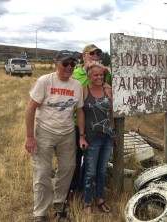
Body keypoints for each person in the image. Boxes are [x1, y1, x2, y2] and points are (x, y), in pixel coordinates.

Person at [25, 50, 86, 222]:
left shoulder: (76, 86)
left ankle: (59, 203)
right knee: (42, 172)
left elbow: (80, 111)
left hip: (67, 133)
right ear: (56, 63)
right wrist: (30, 137)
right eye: (65, 63)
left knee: (67, 169)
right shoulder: (45, 81)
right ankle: (40, 212)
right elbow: (30, 109)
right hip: (44, 132)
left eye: (72, 64)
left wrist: (81, 135)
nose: (69, 67)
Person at [70, 43, 112, 192]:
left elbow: (109, 92)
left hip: (97, 125)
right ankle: (75, 190)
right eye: (91, 53)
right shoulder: (74, 75)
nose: (95, 56)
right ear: (83, 56)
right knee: (75, 159)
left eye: (98, 54)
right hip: (76, 124)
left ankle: (90, 188)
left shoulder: (105, 73)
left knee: (92, 161)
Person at [81, 63, 116, 214]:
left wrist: (113, 132)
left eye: (101, 74)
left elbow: (111, 112)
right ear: (89, 77)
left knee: (102, 170)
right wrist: (81, 136)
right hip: (92, 138)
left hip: (107, 137)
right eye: (96, 75)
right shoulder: (84, 91)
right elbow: (81, 113)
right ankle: (87, 202)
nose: (99, 77)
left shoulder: (108, 90)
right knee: (90, 172)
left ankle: (100, 199)